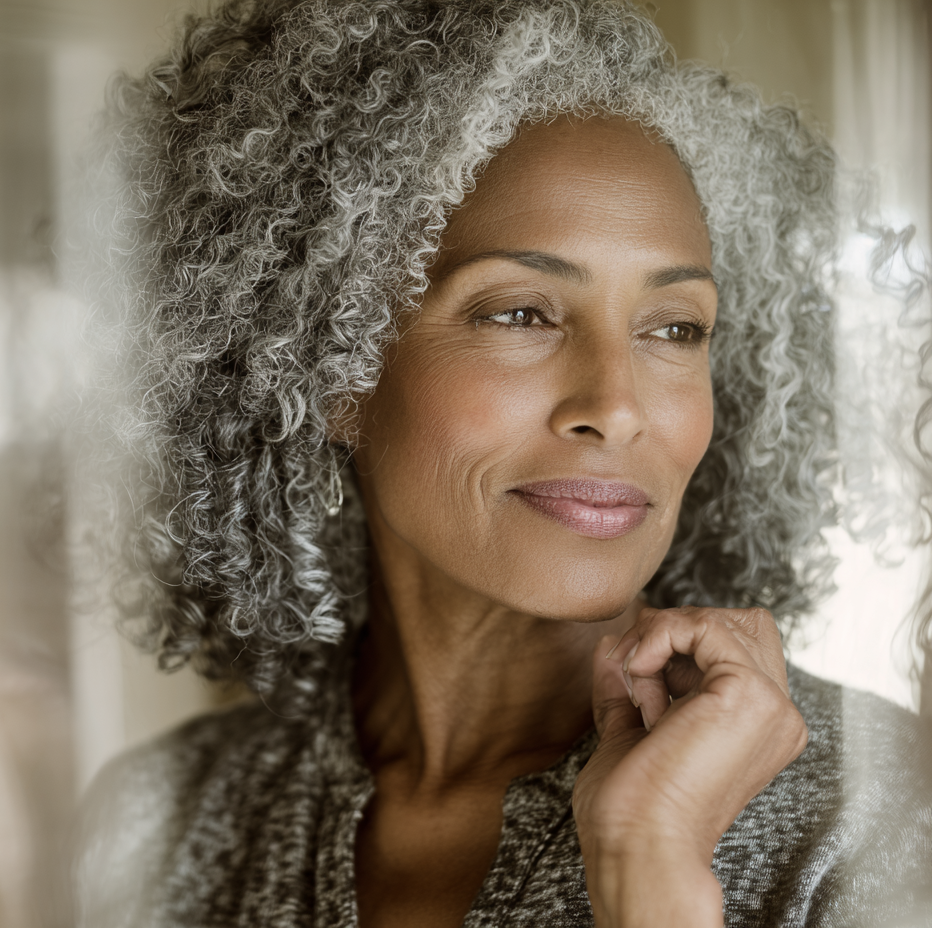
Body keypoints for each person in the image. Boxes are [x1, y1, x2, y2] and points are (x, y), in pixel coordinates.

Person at [74, 1, 932, 925]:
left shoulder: (876, 826)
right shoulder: (156, 819)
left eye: (674, 328)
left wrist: (652, 862)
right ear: (329, 365)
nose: (615, 404)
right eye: (518, 313)